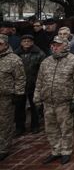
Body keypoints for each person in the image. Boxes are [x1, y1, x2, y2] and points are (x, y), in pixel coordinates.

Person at [34, 36, 74, 165]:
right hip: (48, 102)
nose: (54, 47)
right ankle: (55, 151)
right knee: (50, 128)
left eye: (57, 45)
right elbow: (39, 82)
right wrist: (37, 100)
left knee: (66, 128)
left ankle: (66, 151)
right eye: (53, 45)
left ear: (65, 45)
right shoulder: (46, 62)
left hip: (64, 102)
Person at [0, 34, 26, 162]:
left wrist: (18, 94)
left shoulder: (14, 59)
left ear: (5, 45)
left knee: (5, 123)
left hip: (6, 97)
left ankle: (3, 149)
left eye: (0, 44)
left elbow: (20, 78)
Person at [14, 34, 46, 135]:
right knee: (19, 107)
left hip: (34, 84)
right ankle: (20, 127)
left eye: (29, 41)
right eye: (24, 41)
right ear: (21, 43)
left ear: (32, 42)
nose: (26, 43)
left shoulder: (39, 53)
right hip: (20, 85)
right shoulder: (16, 54)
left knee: (34, 106)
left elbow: (43, 69)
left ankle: (35, 125)